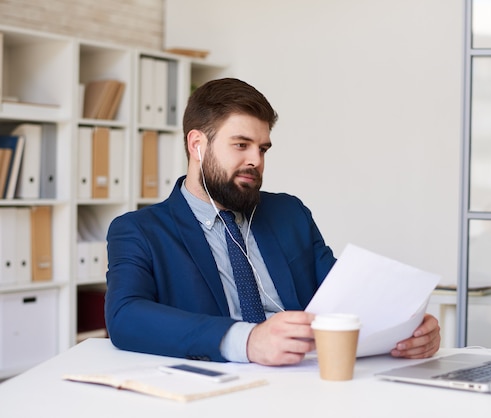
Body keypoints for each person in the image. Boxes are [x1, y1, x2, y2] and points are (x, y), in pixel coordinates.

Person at [105, 78, 441, 366]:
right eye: (241, 145)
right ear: (197, 144)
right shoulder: (140, 231)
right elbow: (125, 317)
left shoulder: (288, 213)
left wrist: (407, 326)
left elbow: (346, 294)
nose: (255, 160)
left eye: (263, 149)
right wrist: (248, 340)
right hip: (214, 387)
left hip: (307, 378)